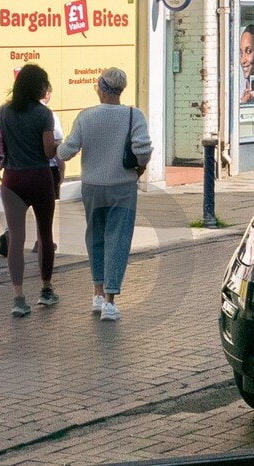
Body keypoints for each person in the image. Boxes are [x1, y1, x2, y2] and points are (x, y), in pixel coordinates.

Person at [56, 67, 151, 322]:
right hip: (123, 187)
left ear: (101, 87)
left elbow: (66, 152)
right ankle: (110, 301)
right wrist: (139, 167)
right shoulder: (134, 115)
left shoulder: (86, 117)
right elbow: (143, 149)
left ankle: (97, 293)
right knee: (118, 239)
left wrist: (56, 147)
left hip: (92, 188)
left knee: (95, 237)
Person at [0, 63, 59, 318]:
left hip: (12, 180)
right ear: (38, 86)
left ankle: (18, 298)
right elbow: (47, 151)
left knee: (16, 240)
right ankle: (45, 289)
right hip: (39, 178)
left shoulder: (3, 111)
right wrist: (56, 147)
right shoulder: (44, 114)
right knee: (45, 234)